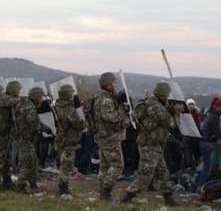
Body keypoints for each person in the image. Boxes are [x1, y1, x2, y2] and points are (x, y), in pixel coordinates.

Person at [122, 82, 178, 206]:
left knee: (163, 173)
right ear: (162, 94)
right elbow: (170, 123)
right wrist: (174, 111)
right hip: (149, 144)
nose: (168, 97)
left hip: (153, 143)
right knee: (146, 173)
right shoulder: (155, 105)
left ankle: (169, 199)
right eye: (167, 94)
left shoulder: (151, 103)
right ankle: (127, 196)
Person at [93, 72, 128, 201]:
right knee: (118, 166)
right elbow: (110, 117)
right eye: (114, 83)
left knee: (105, 166)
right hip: (110, 137)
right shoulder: (106, 100)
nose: (115, 85)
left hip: (103, 136)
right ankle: (105, 191)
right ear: (108, 84)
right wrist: (122, 111)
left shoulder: (99, 96)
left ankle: (103, 193)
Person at [54, 84, 86, 197]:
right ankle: (63, 189)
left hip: (60, 139)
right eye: (71, 94)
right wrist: (82, 114)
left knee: (64, 164)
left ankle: (62, 187)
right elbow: (80, 125)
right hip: (69, 140)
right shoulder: (69, 109)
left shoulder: (57, 106)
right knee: (67, 165)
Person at [13, 87, 43, 193]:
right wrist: (45, 128)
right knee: (27, 162)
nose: (42, 100)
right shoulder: (30, 107)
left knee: (33, 160)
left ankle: (33, 183)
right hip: (24, 138)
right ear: (36, 97)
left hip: (23, 137)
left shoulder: (23, 104)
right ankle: (20, 185)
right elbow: (34, 123)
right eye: (40, 97)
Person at [198, 98, 221, 187]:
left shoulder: (208, 114)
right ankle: (202, 187)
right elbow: (218, 134)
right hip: (209, 144)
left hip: (203, 142)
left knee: (205, 166)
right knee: (208, 168)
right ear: (218, 107)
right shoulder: (215, 117)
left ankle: (199, 185)